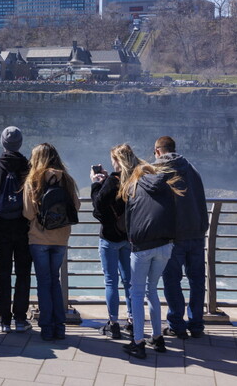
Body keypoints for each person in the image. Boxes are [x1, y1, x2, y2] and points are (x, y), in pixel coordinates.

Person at [120, 159, 183, 359]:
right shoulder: (167, 188)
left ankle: (138, 342)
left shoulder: (134, 187)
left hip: (142, 247)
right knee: (152, 290)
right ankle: (157, 338)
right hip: (165, 246)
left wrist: (132, 241)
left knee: (137, 294)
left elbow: (128, 220)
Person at [22, 143, 80, 341]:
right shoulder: (67, 179)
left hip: (39, 238)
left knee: (44, 282)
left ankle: (46, 328)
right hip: (61, 237)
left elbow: (28, 213)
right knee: (54, 280)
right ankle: (60, 327)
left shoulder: (33, 180)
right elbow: (77, 206)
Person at [154, 136, 208, 339]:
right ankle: (196, 325)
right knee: (196, 281)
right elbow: (201, 198)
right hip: (196, 233)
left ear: (158, 151)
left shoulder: (159, 171)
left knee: (172, 280)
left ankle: (176, 324)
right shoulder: (191, 169)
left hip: (173, 236)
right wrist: (203, 226)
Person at [0, 126, 33, 333]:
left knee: (2, 273)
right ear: (20, 144)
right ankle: (20, 318)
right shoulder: (30, 169)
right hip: (24, 227)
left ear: (3, 143)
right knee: (23, 272)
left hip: (1, 228)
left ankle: (4, 319)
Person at [90, 144, 134, 340]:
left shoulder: (113, 181)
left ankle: (113, 323)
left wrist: (96, 183)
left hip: (109, 237)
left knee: (111, 281)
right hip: (128, 237)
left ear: (117, 161)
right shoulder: (135, 178)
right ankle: (133, 321)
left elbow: (98, 207)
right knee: (129, 282)